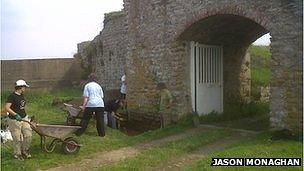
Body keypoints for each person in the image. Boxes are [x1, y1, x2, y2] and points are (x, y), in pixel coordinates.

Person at [5, 79, 32, 160]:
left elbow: (21, 106)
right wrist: (16, 114)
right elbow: (7, 108)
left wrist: (26, 115)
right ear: (20, 87)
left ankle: (25, 150)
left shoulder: (21, 95)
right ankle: (17, 154)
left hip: (24, 118)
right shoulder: (12, 96)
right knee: (17, 138)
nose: (25, 89)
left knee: (28, 135)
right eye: (24, 87)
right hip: (14, 120)